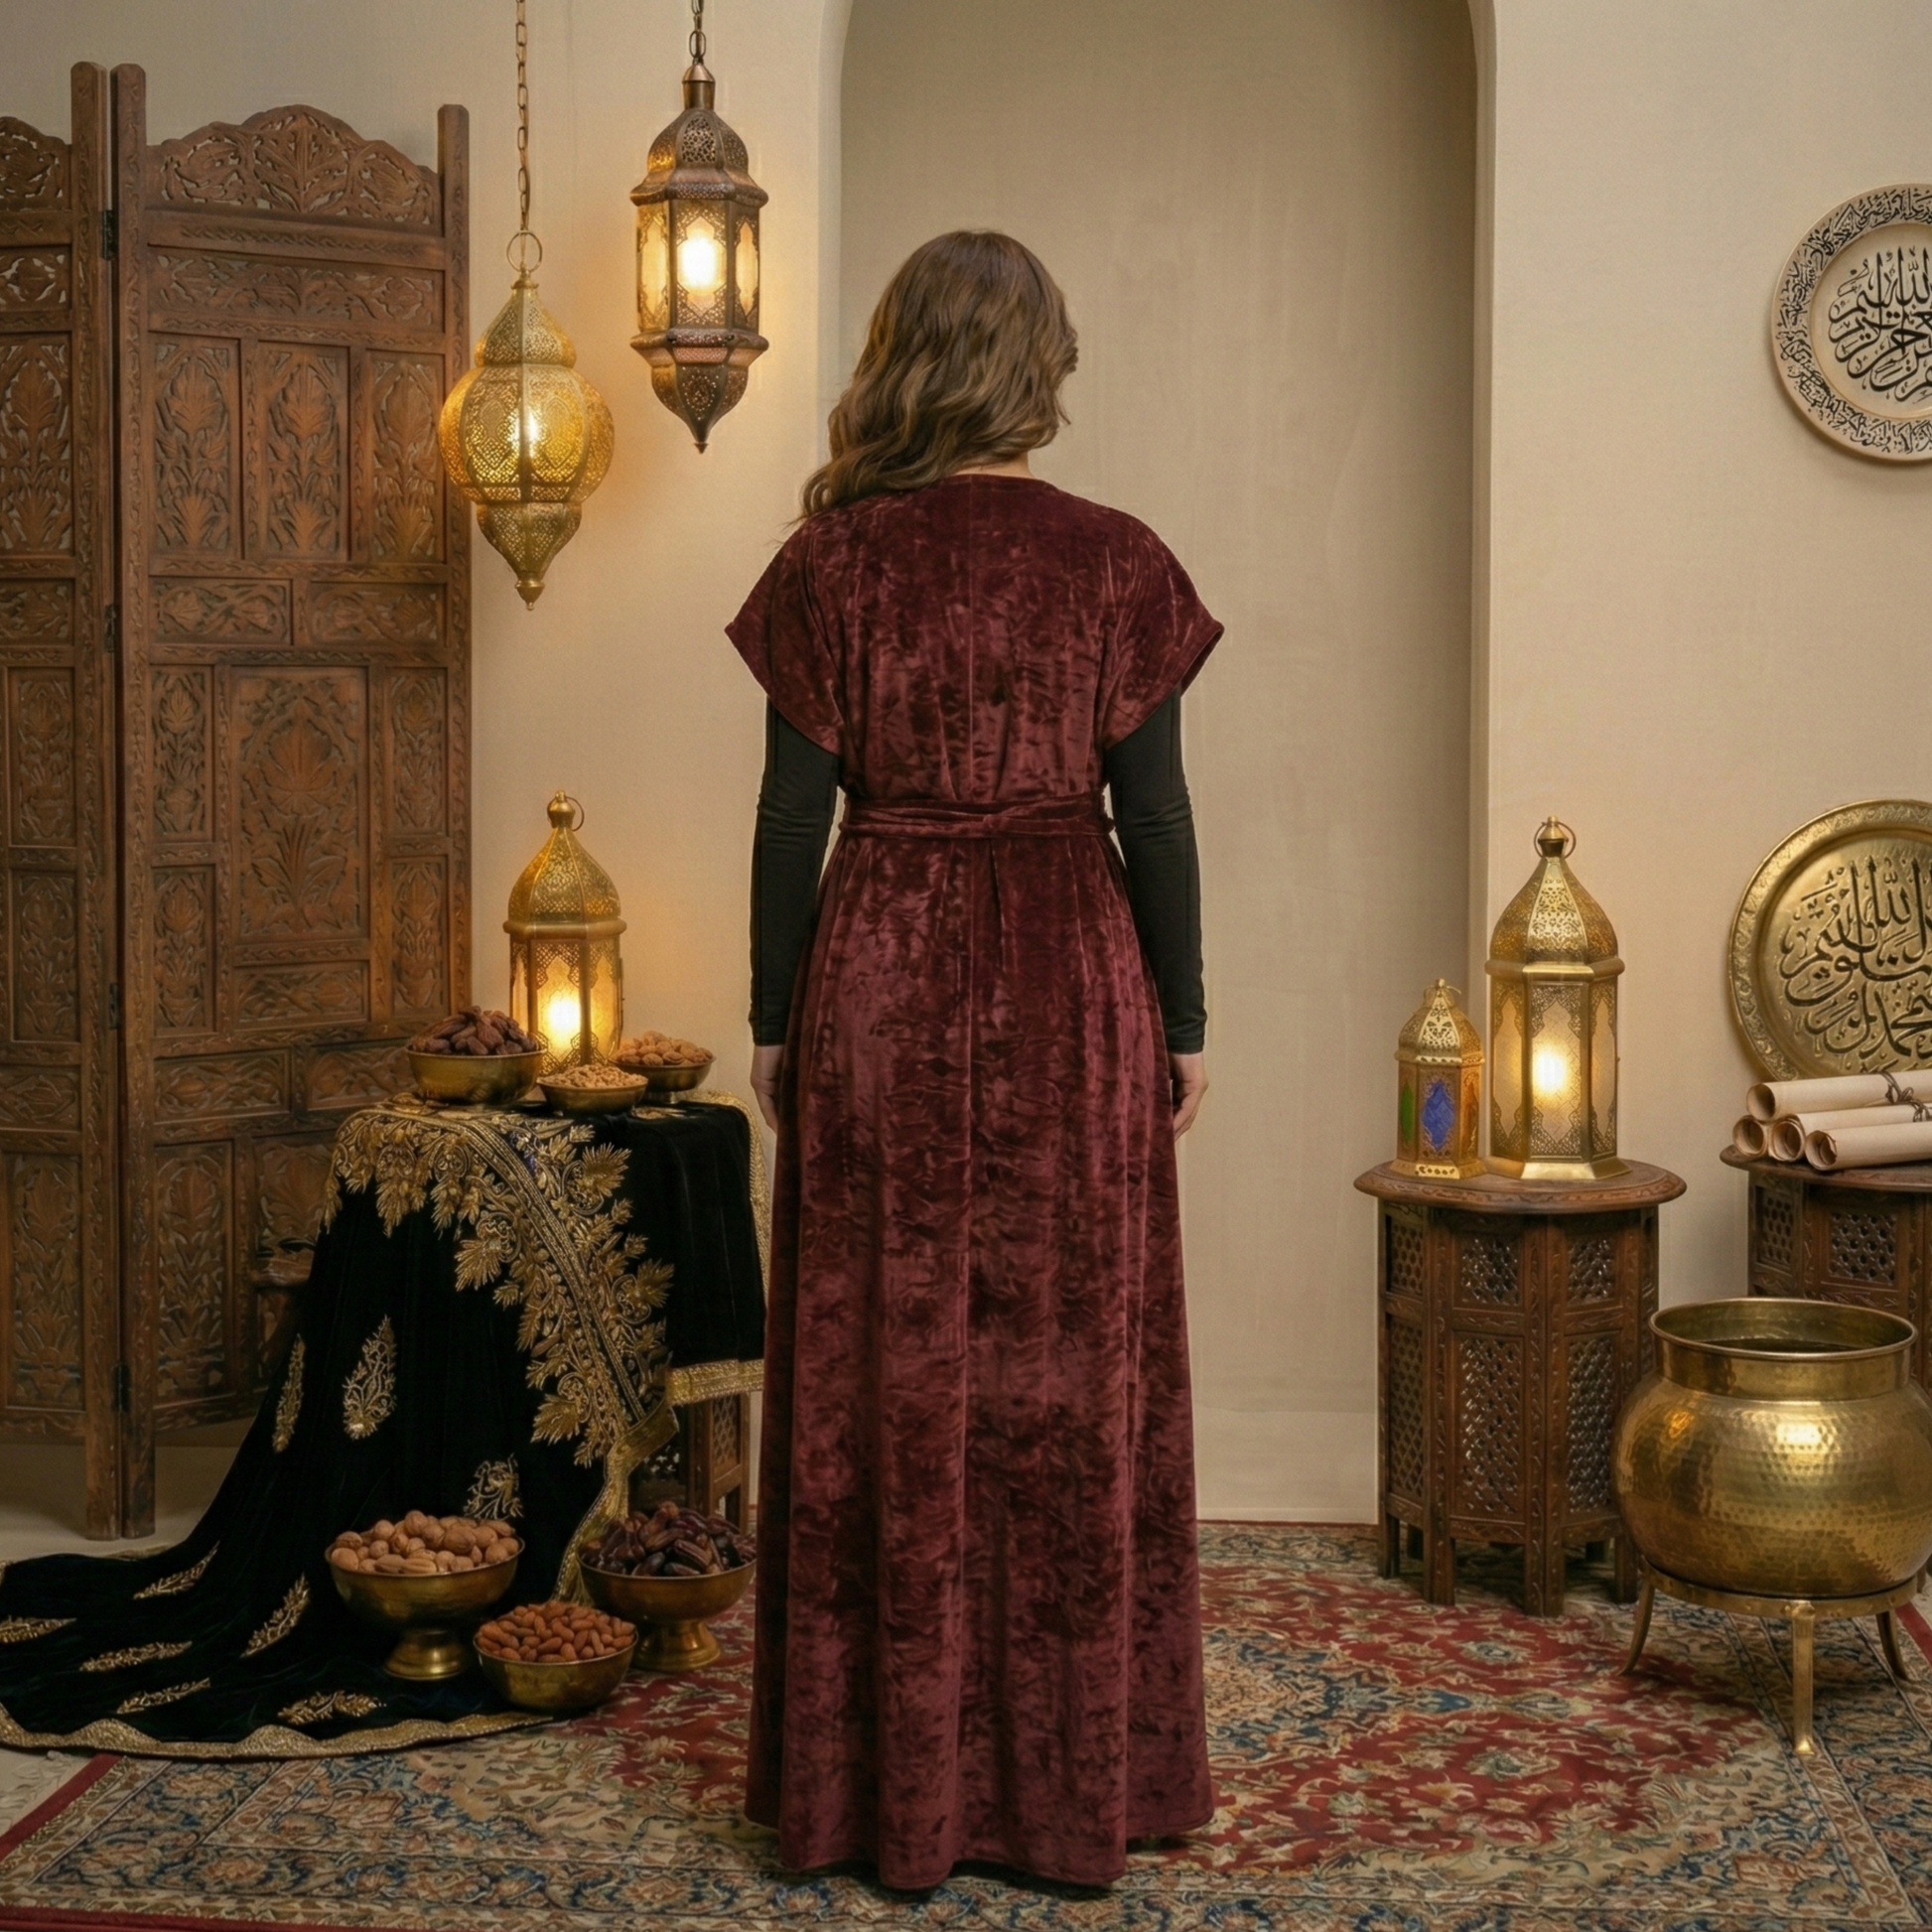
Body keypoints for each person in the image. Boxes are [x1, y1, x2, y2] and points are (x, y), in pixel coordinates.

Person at [727, 229, 1220, 1891]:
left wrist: (779, 1021)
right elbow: (1149, 816)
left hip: (878, 961)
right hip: (1072, 978)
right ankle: (1078, 1779)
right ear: (1041, 368)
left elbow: (795, 818)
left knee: (882, 1369)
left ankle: (873, 1788)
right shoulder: (1119, 561)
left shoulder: (834, 564)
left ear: (899, 358)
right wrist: (1186, 1015)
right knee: (1070, 1376)